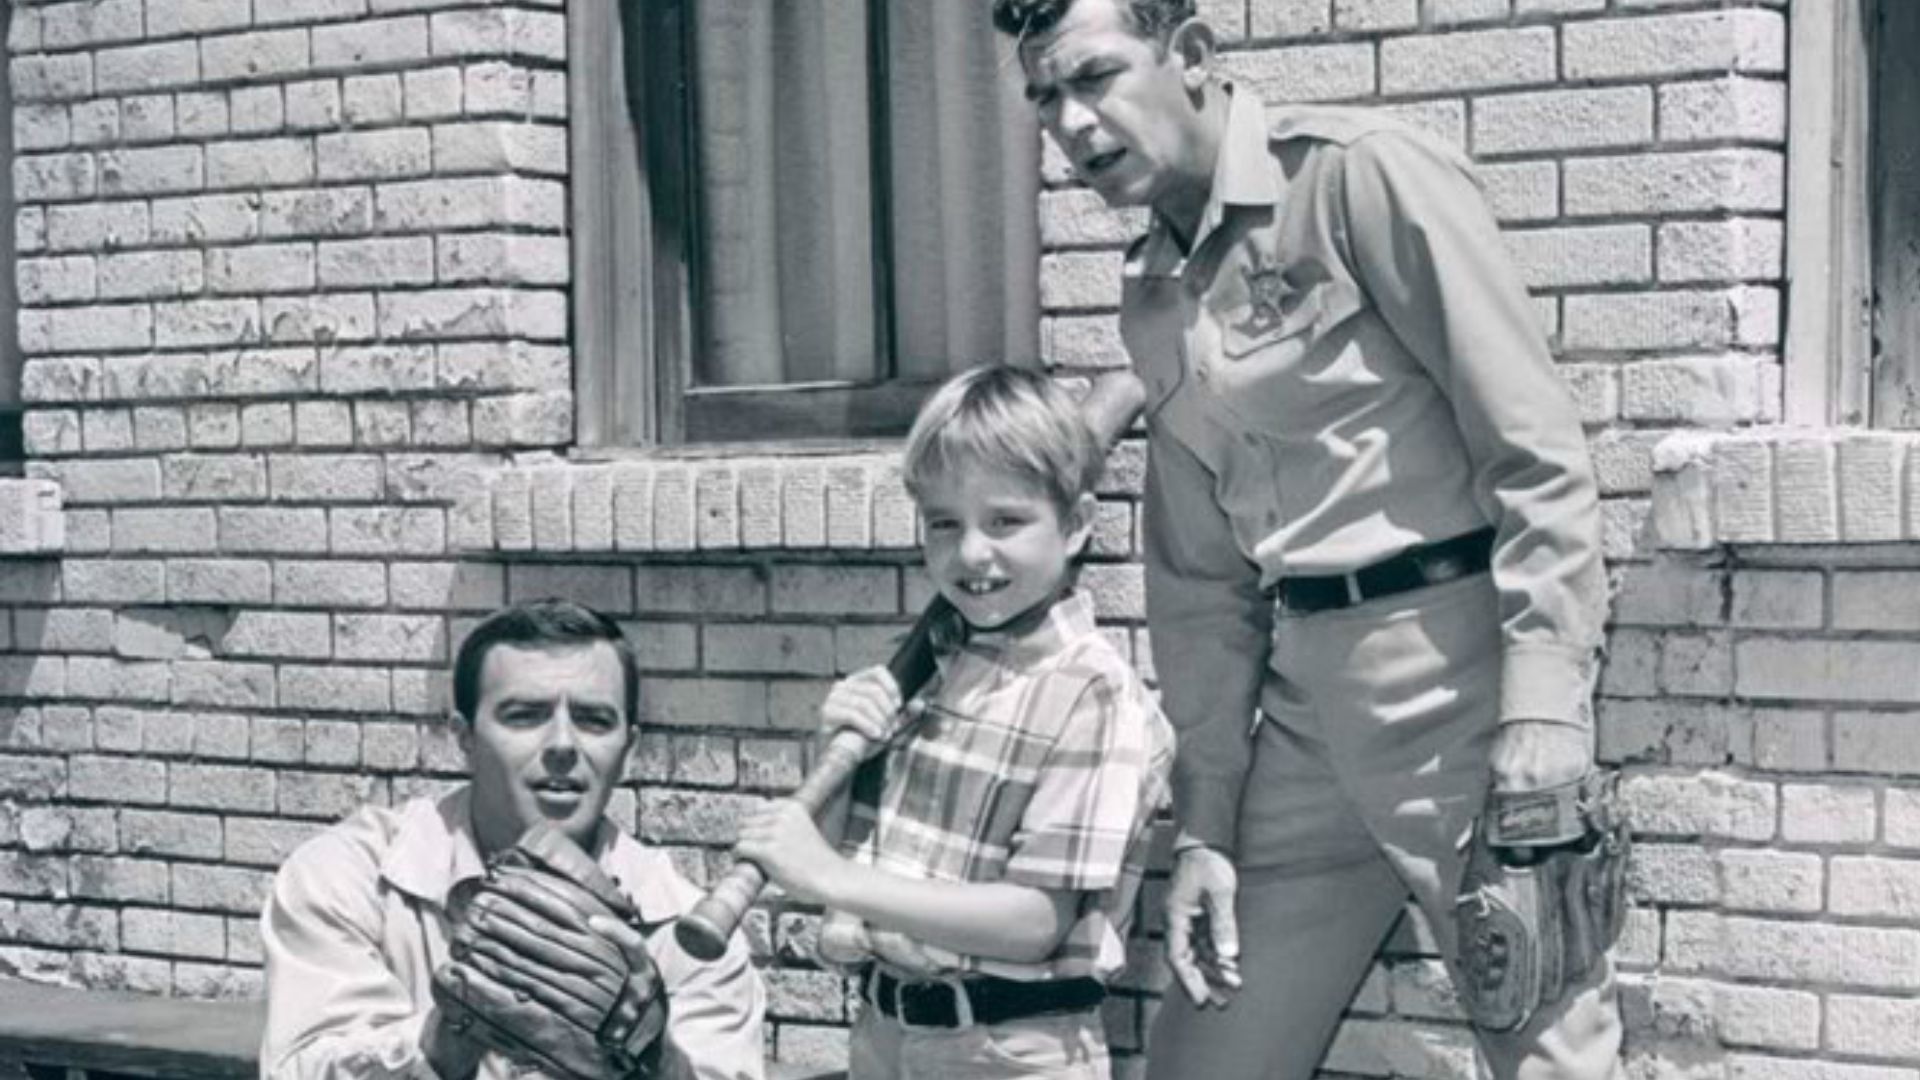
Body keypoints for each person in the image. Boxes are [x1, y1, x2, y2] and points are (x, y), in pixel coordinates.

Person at [994, 2, 1627, 1079]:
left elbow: (1532, 449)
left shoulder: (1355, 178)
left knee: (1552, 1056)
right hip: (1301, 710)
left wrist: (1543, 702)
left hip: (1460, 681)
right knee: (1204, 1061)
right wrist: (1208, 823)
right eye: (1045, 97)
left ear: (1192, 55)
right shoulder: (1155, 293)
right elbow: (1199, 585)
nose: (1072, 123)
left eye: (1095, 77)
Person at [734, 365, 1176, 1079]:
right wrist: (833, 753)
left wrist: (830, 878)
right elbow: (845, 848)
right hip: (884, 1032)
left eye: (1005, 521)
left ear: (1076, 527)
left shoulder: (1090, 694)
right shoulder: (928, 670)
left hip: (1009, 1050)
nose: (972, 552)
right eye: (946, 523)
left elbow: (1035, 923)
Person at [260, 599, 766, 1080]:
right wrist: (448, 1035)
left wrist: (652, 1059)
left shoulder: (690, 936)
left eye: (593, 720)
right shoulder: (351, 876)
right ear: (464, 737)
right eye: (524, 715)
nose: (563, 745)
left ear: (628, 749)